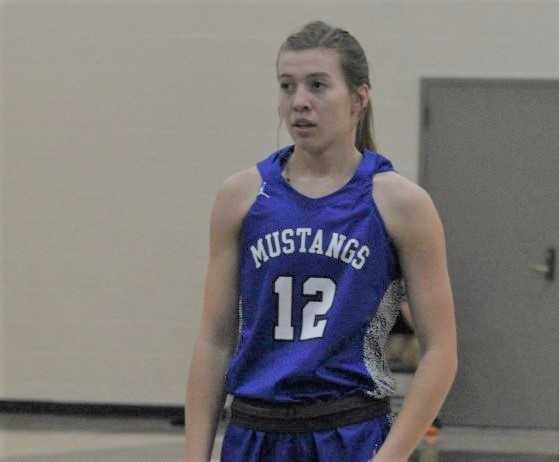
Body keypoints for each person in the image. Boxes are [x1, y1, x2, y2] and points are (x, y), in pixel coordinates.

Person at [184, 20, 457, 462]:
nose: (299, 103)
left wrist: (390, 456)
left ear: (358, 99)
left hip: (348, 433)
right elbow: (214, 342)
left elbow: (442, 350)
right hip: (254, 433)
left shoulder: (400, 204)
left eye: (317, 86)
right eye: (287, 86)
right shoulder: (240, 197)